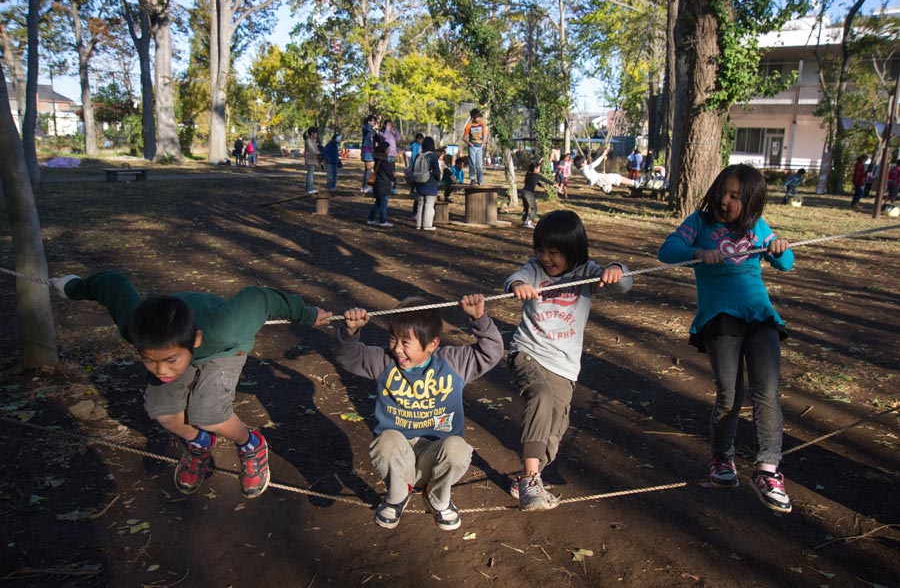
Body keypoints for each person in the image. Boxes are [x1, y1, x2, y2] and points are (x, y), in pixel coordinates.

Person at [49, 271, 333, 499]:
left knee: (209, 414)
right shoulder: (135, 326)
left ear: (194, 341)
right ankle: (200, 444)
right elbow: (111, 285)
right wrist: (71, 286)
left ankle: (251, 444)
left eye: (169, 361)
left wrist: (305, 313)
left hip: (224, 350)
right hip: (179, 343)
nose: (161, 372)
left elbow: (259, 298)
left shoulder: (225, 327)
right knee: (162, 411)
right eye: (148, 361)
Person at [658, 164, 795, 514]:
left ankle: (767, 469)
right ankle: (722, 459)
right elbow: (667, 250)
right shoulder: (700, 223)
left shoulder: (755, 227)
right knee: (729, 395)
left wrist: (778, 249)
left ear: (750, 202)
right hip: (720, 319)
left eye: (735, 196)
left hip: (760, 317)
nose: (725, 200)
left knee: (767, 391)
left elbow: (786, 262)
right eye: (723, 191)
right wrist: (697, 253)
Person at [333, 294, 504, 530]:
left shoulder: (454, 363)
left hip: (435, 459)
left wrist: (480, 318)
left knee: (458, 447)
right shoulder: (384, 362)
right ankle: (397, 497)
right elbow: (348, 356)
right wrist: (349, 332)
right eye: (393, 339)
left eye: (406, 343)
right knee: (386, 440)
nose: (397, 349)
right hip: (398, 460)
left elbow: (491, 352)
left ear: (432, 344)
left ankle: (438, 499)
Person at [504, 210, 633, 510]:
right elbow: (515, 278)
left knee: (554, 432)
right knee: (540, 396)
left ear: (573, 251)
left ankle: (527, 477)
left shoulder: (586, 271)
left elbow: (623, 284)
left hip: (564, 365)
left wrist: (616, 268)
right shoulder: (535, 270)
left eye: (554, 252)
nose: (546, 258)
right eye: (541, 250)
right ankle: (532, 479)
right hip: (528, 352)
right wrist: (517, 287)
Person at [414, 136, 441, 231]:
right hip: (430, 182)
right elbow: (437, 171)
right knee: (429, 204)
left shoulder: (419, 155)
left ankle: (418, 224)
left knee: (420, 204)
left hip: (419, 182)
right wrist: (438, 180)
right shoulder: (432, 156)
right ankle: (427, 225)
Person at [367, 139, 394, 227]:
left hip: (377, 184)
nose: (389, 150)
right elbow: (389, 172)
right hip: (383, 184)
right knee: (383, 204)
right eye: (388, 149)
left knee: (377, 203)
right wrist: (394, 178)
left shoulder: (377, 159)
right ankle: (383, 221)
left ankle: (371, 219)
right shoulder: (384, 161)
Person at [520, 162, 555, 229]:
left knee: (526, 208)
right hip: (528, 193)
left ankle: (524, 222)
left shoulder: (529, 174)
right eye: (539, 168)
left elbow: (537, 182)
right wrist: (554, 184)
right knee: (534, 208)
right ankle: (529, 222)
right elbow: (545, 180)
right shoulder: (537, 175)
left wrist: (543, 187)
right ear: (535, 169)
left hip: (523, 192)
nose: (539, 169)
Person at [463, 108, 488, 185]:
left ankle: (480, 180)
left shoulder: (482, 124)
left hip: (479, 147)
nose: (479, 118)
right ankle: (472, 179)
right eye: (477, 117)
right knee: (472, 163)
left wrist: (483, 143)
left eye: (480, 117)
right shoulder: (469, 126)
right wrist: (470, 144)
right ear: (473, 118)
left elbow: (485, 135)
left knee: (479, 165)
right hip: (472, 147)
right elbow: (464, 137)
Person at [380, 119, 403, 195]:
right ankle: (386, 186)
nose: (390, 125)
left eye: (391, 124)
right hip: (385, 154)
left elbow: (399, 138)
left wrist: (394, 131)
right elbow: (384, 137)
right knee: (385, 171)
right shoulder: (383, 131)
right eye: (389, 124)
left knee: (393, 171)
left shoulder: (394, 131)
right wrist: (387, 129)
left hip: (392, 154)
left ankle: (394, 187)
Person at [360, 114, 378, 193]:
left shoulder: (373, 131)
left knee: (367, 169)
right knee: (369, 168)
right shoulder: (365, 128)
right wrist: (371, 126)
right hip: (366, 150)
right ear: (369, 121)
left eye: (374, 122)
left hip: (371, 151)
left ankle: (364, 187)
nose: (374, 123)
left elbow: (378, 139)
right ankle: (365, 187)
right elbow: (367, 128)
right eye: (373, 121)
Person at [304, 126, 320, 195]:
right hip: (310, 159)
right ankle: (309, 189)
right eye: (315, 133)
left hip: (313, 159)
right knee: (310, 175)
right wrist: (319, 153)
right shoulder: (308, 140)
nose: (316, 135)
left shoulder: (313, 140)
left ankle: (310, 188)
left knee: (311, 174)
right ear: (312, 133)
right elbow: (312, 150)